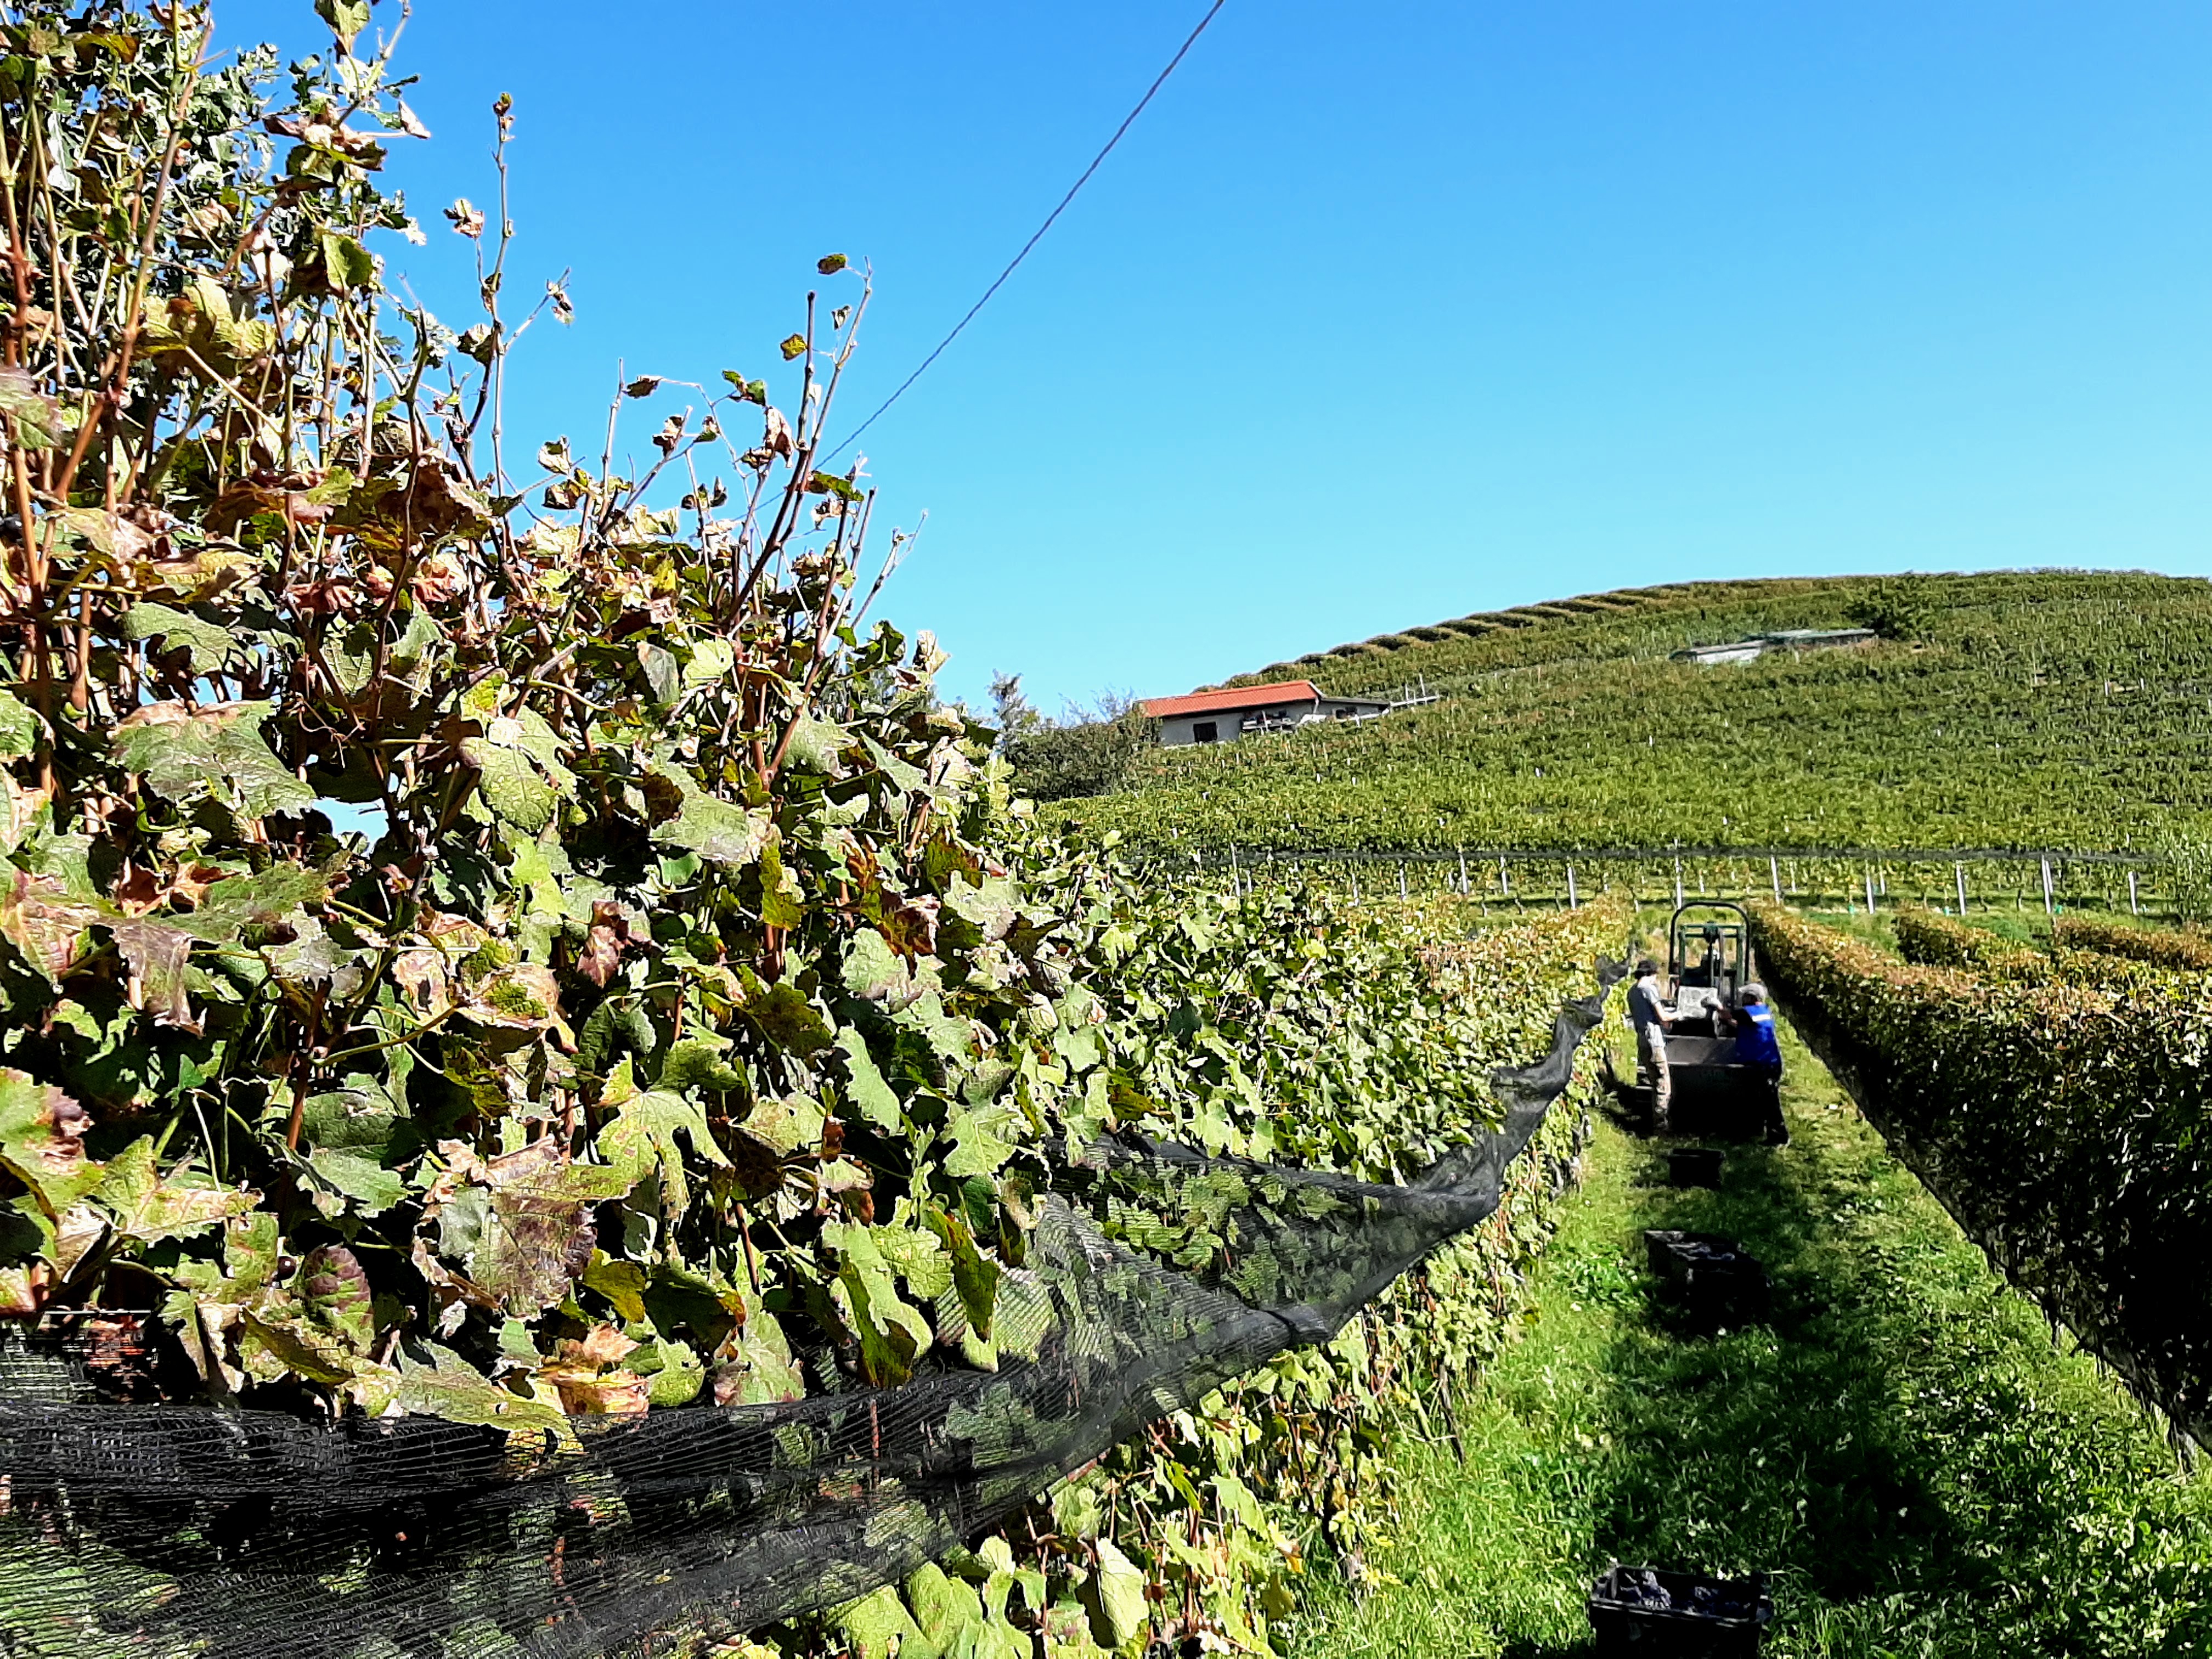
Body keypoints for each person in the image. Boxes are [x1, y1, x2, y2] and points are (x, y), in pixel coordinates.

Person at [1726, 983, 1788, 1146]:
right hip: (1765, 1064)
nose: (1742, 999)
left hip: (1765, 1065)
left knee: (1770, 1102)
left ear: (1752, 998)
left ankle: (1779, 1137)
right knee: (1761, 1100)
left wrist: (1717, 1006)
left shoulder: (1752, 1012)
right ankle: (1757, 1132)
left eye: (1744, 996)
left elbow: (1731, 1015)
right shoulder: (1762, 1012)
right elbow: (1743, 1025)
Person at [1628, 957, 1674, 1134]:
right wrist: (1679, 1014)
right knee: (1663, 1084)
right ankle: (1660, 1126)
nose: (1656, 979)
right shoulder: (1649, 990)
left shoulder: (1632, 991)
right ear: (1650, 974)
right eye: (1655, 975)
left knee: (1654, 1081)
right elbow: (1663, 1017)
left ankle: (1655, 1123)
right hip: (1654, 1041)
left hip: (1642, 1041)